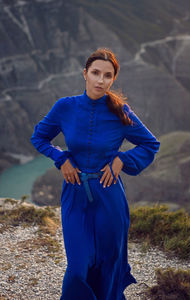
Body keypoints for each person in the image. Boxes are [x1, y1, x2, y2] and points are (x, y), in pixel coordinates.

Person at [30, 48, 160, 300]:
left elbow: (150, 144)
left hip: (109, 197)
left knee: (108, 265)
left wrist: (122, 159)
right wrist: (61, 158)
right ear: (85, 74)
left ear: (113, 79)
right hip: (74, 195)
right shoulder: (65, 107)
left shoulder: (120, 111)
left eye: (107, 75)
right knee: (77, 269)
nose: (101, 80)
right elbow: (39, 137)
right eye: (96, 73)